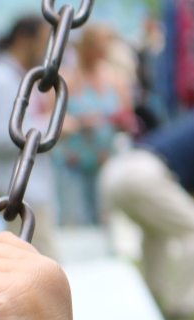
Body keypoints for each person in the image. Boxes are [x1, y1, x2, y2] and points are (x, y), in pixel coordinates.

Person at [100, 115, 194, 319]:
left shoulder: (191, 130)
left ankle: (150, 304)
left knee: (156, 234)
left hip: (115, 172)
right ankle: (182, 309)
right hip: (143, 174)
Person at [0, 16, 59, 258]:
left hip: (30, 192)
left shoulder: (17, 77)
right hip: (19, 195)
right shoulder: (2, 79)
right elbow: (0, 136)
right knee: (38, 270)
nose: (47, 49)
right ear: (25, 39)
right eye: (44, 41)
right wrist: (51, 127)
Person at [56, 23, 135, 226]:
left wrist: (118, 121)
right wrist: (80, 122)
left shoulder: (116, 78)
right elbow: (51, 121)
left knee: (108, 220)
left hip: (105, 160)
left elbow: (130, 119)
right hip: (73, 163)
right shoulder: (67, 78)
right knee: (75, 221)